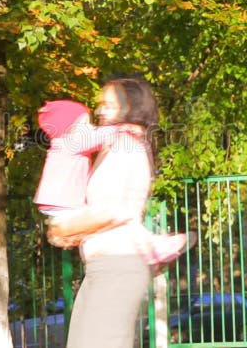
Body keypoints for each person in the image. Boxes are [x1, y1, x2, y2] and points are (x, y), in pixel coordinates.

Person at [47, 77, 187, 348]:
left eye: (109, 105)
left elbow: (115, 210)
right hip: (102, 267)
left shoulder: (128, 147)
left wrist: (66, 229)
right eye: (100, 104)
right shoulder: (113, 147)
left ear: (131, 109)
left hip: (118, 266)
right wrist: (76, 233)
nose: (99, 111)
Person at [34, 99, 194, 265]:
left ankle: (148, 246)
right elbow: (97, 136)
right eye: (85, 124)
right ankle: (148, 248)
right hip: (64, 207)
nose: (90, 127)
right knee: (119, 216)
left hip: (61, 207)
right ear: (68, 128)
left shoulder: (64, 144)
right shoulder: (68, 142)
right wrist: (124, 128)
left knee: (109, 223)